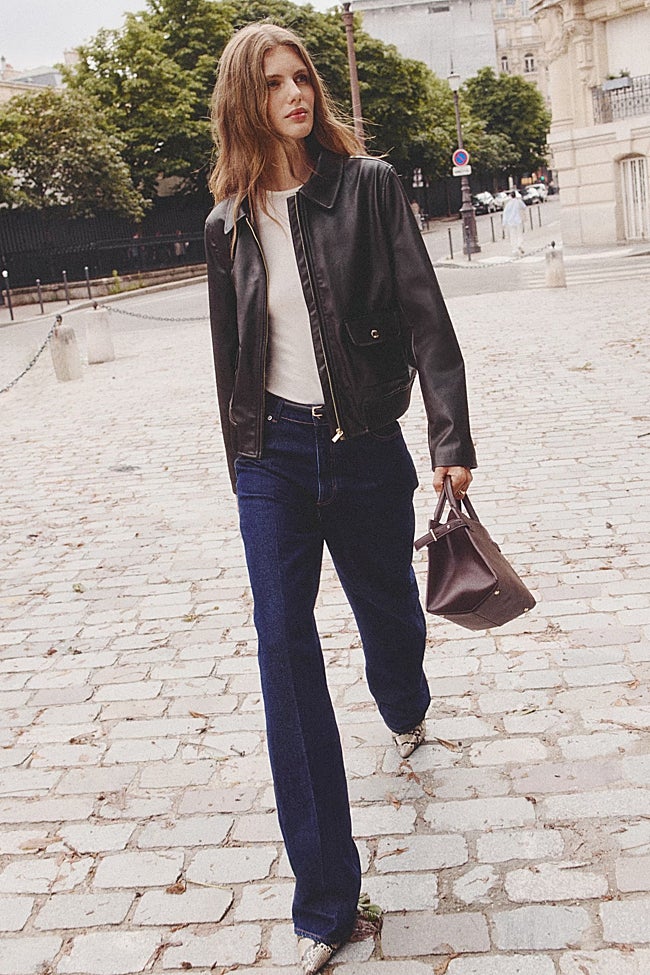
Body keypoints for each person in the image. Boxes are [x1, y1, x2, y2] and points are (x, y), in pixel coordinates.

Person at [205, 22, 475, 975]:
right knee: (284, 651)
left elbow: (425, 315)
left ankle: (404, 701)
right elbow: (229, 365)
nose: (295, 93)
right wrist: (244, 473)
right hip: (273, 460)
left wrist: (450, 439)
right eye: (273, 83)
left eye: (302, 77)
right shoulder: (227, 225)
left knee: (389, 614)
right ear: (244, 103)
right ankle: (325, 900)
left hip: (364, 448)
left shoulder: (369, 187)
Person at [502, 189, 526, 256]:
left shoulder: (508, 204)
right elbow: (524, 207)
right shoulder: (518, 201)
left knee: (512, 236)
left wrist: (504, 223)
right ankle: (520, 244)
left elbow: (505, 213)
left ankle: (514, 250)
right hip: (518, 220)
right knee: (519, 234)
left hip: (510, 222)